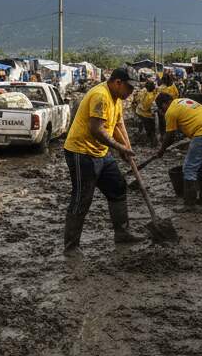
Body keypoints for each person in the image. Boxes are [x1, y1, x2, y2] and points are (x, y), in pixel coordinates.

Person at [62, 68, 142, 256]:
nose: (130, 93)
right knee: (82, 198)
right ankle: (71, 247)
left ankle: (122, 233)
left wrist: (127, 148)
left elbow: (118, 125)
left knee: (118, 187)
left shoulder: (117, 99)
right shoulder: (101, 96)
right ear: (117, 82)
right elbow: (96, 129)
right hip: (81, 153)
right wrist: (120, 148)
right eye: (129, 88)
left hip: (101, 152)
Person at [154, 95, 202, 208]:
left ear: (163, 104)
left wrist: (161, 150)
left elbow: (170, 136)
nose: (163, 111)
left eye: (162, 108)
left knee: (188, 168)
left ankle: (189, 205)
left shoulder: (170, 112)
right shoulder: (183, 101)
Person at [154, 72, 179, 139]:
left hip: (166, 108)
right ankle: (166, 136)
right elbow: (177, 95)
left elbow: (156, 98)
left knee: (164, 123)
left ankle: (166, 136)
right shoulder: (173, 87)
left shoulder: (161, 88)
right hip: (167, 108)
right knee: (166, 123)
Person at [134, 78, 159, 144]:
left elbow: (137, 99)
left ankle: (142, 138)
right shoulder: (151, 96)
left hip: (139, 112)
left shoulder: (143, 91)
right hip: (147, 115)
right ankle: (152, 142)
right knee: (151, 129)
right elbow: (148, 107)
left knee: (144, 127)